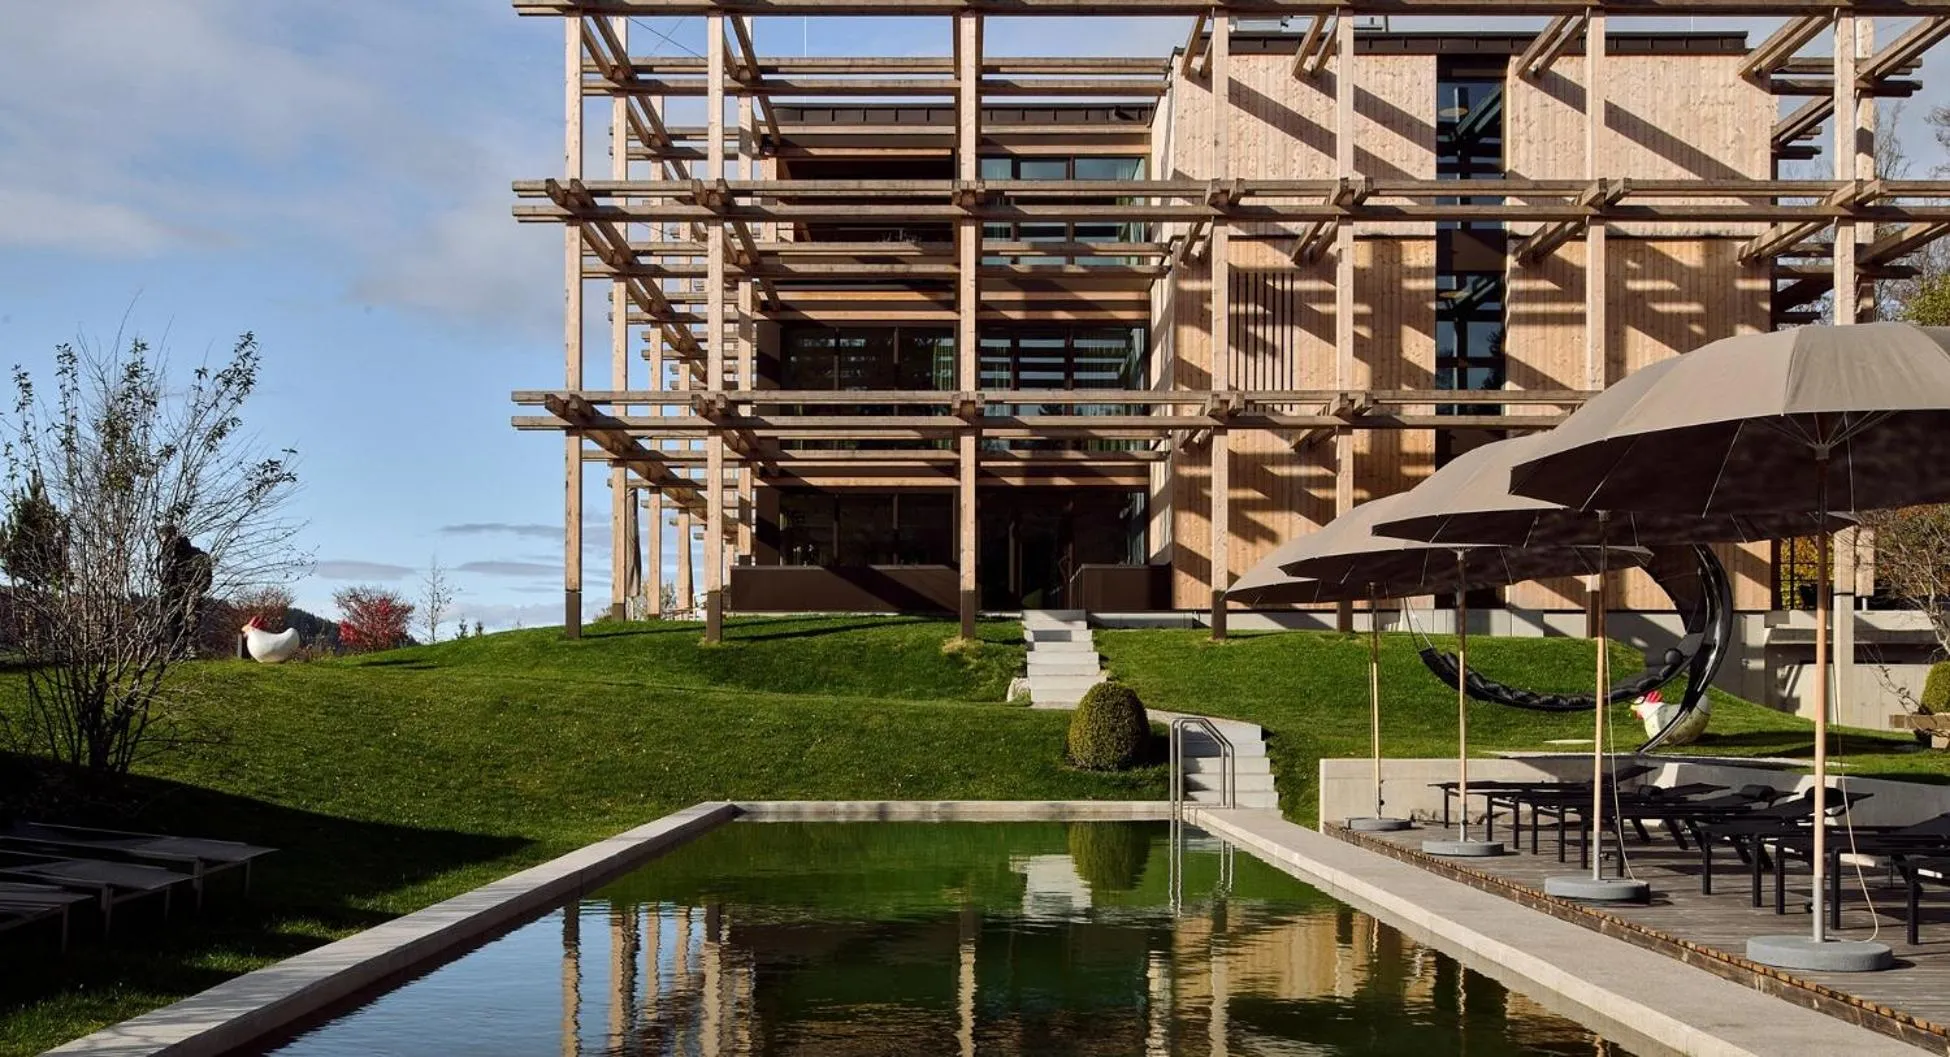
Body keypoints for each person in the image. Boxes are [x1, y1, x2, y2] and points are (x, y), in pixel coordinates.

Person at [157, 523, 213, 653]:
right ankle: (173, 650)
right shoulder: (167, 555)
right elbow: (166, 577)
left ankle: (189, 649)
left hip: (189, 592)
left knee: (190, 619)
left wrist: (196, 590)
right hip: (172, 593)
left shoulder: (195, 555)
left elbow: (205, 577)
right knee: (171, 620)